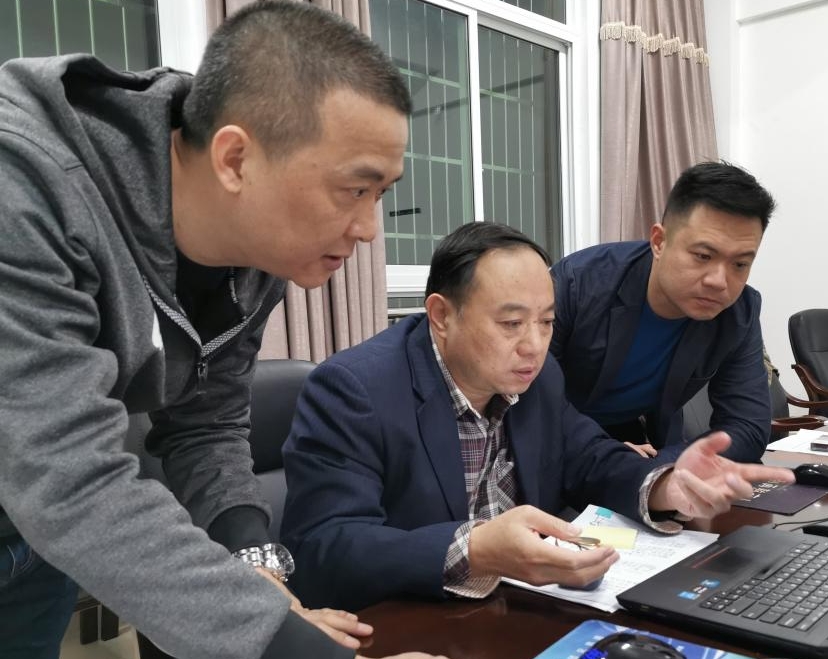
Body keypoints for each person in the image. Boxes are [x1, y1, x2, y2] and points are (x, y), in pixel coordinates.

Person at [0, 2, 437, 658]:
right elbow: (67, 480)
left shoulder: (254, 251)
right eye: (355, 189)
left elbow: (204, 420)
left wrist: (252, 563)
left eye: (382, 194)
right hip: (48, 498)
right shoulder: (25, 189)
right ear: (235, 158)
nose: (369, 229)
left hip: (35, 541)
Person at [280, 222, 793, 611]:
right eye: (511, 323)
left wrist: (664, 484)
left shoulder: (540, 377)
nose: (534, 346)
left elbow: (589, 457)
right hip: (414, 621)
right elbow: (323, 548)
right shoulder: (356, 389)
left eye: (546, 322)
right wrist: (475, 549)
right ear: (441, 316)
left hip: (521, 607)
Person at [549, 162, 776, 463]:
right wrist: (599, 451)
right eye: (703, 256)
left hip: (643, 443)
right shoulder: (577, 284)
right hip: (556, 438)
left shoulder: (738, 311)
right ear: (659, 241)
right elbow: (528, 400)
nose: (719, 281)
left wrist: (666, 466)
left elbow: (747, 427)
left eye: (740, 264)